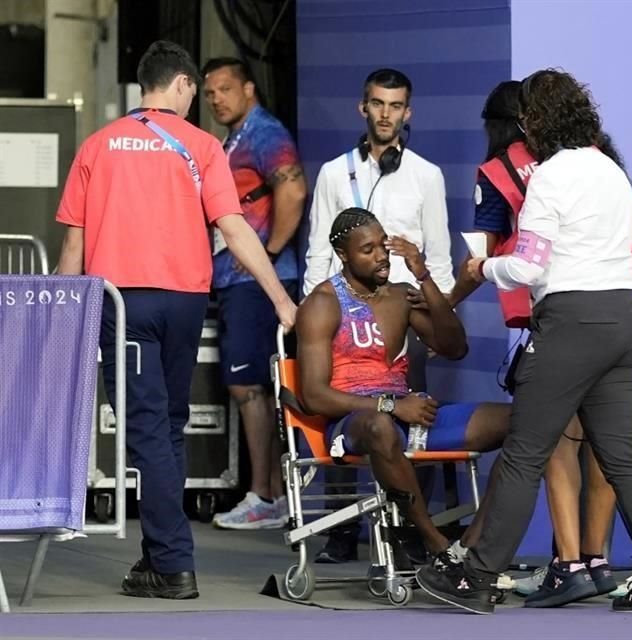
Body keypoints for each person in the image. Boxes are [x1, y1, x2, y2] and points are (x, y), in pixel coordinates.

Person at [415, 69, 632, 615]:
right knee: (623, 458)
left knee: (524, 453)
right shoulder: (609, 167)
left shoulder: (550, 177)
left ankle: (478, 577)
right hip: (625, 317)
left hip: (570, 322)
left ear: (535, 122)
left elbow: (529, 266)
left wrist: (487, 266)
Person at [54, 40, 297, 599]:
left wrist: (66, 322)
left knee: (145, 430)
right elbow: (235, 229)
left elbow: (74, 246)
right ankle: (155, 557)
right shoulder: (205, 146)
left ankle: (172, 564)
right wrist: (279, 298)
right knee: (166, 426)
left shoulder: (97, 145)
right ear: (183, 83)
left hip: (125, 303)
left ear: (146, 84)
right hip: (186, 303)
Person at [296, 208, 509, 564]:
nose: (381, 257)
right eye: (368, 250)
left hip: (408, 417)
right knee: (381, 427)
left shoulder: (400, 295)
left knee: (526, 424)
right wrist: (390, 406)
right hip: (355, 422)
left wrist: (424, 277)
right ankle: (434, 545)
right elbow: (315, 395)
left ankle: (469, 545)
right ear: (343, 255)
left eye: (383, 246)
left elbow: (455, 348)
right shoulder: (322, 303)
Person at [303, 68, 456, 563]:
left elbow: (440, 257)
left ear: (407, 113)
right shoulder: (333, 172)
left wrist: (437, 313)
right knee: (346, 409)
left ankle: (407, 532)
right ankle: (343, 530)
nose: (385, 113)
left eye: (395, 106)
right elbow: (317, 254)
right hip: (341, 311)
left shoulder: (426, 176)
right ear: (362, 108)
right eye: (377, 104)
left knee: (413, 418)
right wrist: (309, 312)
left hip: (406, 317)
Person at [199, 57, 306, 530]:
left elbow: (294, 191)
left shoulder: (265, 133)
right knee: (251, 387)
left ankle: (266, 495)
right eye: (209, 93)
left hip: (258, 283)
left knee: (251, 387)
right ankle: (272, 493)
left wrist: (270, 249)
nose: (216, 99)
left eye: (224, 89)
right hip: (235, 280)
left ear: (248, 89)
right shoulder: (235, 139)